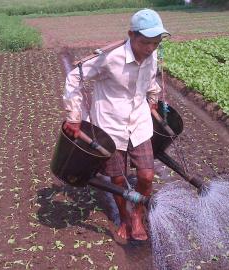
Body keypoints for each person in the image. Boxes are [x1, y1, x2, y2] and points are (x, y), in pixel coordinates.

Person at [62, 9, 169, 241]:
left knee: (147, 176)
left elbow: (150, 80)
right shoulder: (109, 58)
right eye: (146, 42)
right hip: (110, 125)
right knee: (118, 180)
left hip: (139, 123)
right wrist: (74, 116)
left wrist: (152, 100)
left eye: (156, 42)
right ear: (131, 35)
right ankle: (124, 217)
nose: (151, 48)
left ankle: (138, 215)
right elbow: (74, 77)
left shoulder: (152, 54)